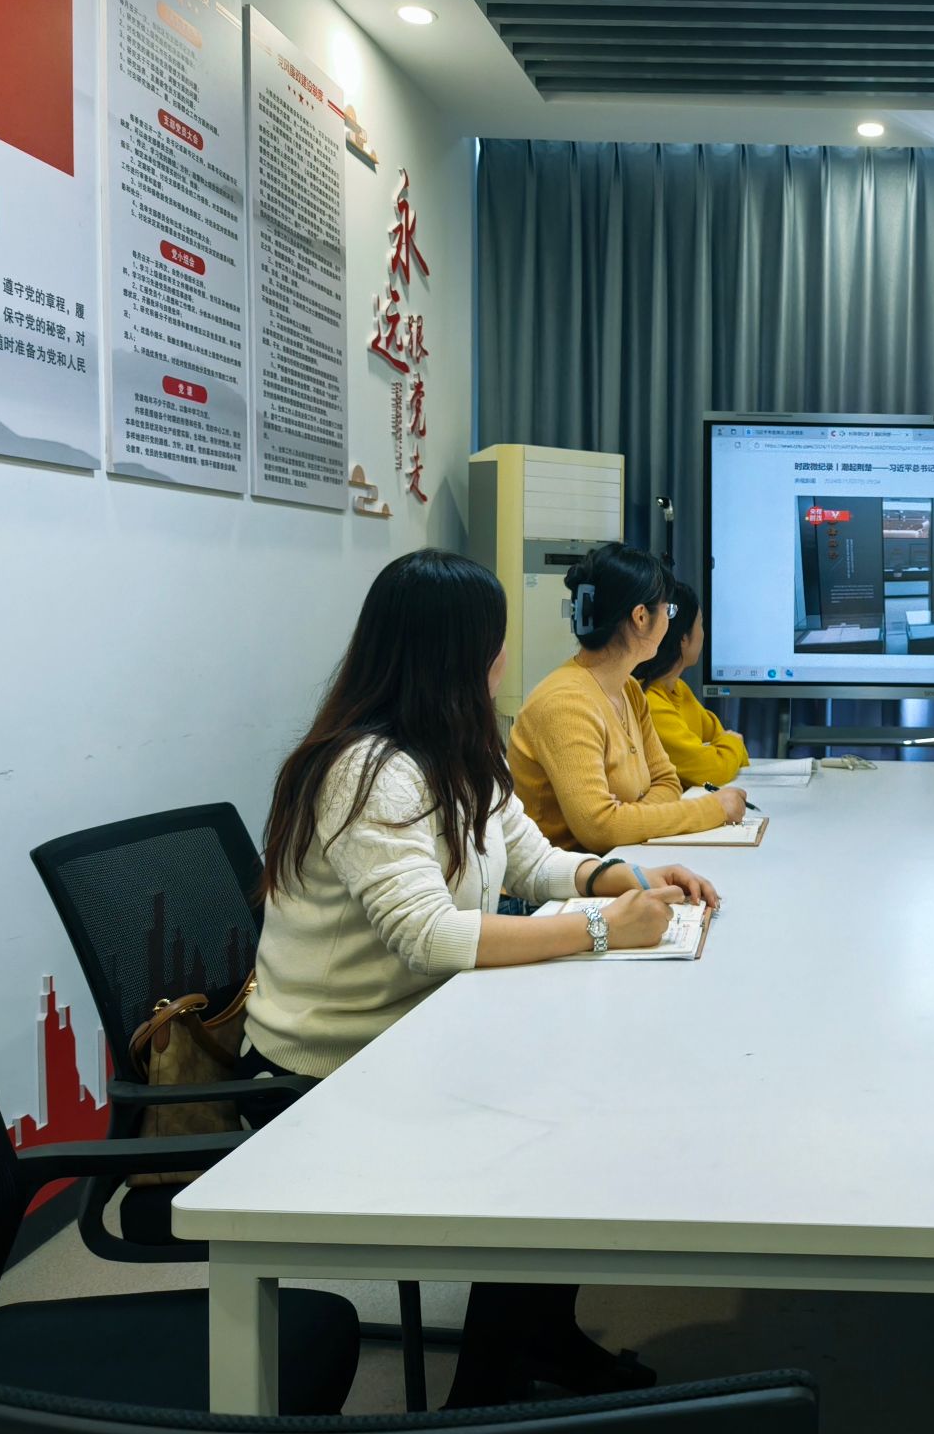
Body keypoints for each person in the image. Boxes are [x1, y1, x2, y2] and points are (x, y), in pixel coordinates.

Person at [242, 548, 721, 1406]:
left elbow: (530, 859)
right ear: (462, 656)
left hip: (422, 1029)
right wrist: (604, 928)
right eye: (495, 642)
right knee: (554, 1137)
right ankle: (485, 1395)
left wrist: (624, 877)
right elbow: (429, 937)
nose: (505, 658)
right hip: (329, 1069)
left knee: (590, 1100)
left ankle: (539, 1340)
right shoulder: (367, 770)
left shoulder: (456, 747)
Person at [511, 543, 746, 852]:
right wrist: (714, 809)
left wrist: (627, 819)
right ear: (641, 617)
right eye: (668, 611)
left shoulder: (629, 689)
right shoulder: (564, 703)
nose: (669, 621)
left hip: (618, 859)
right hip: (569, 877)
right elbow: (600, 828)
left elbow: (667, 782)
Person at [635, 581, 748, 789]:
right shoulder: (649, 702)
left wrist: (729, 748)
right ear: (683, 638)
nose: (704, 634)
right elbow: (714, 769)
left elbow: (736, 755)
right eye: (701, 624)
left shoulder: (678, 689)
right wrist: (732, 743)